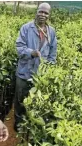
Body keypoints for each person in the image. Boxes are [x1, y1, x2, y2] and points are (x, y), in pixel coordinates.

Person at [14, 3, 57, 132]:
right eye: (41, 12)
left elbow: (52, 53)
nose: (43, 15)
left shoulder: (51, 32)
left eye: (46, 13)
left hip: (40, 75)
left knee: (35, 101)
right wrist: (31, 53)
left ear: (49, 15)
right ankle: (18, 124)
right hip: (24, 72)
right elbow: (19, 47)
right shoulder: (26, 28)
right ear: (36, 12)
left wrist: (49, 68)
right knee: (20, 100)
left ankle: (30, 125)